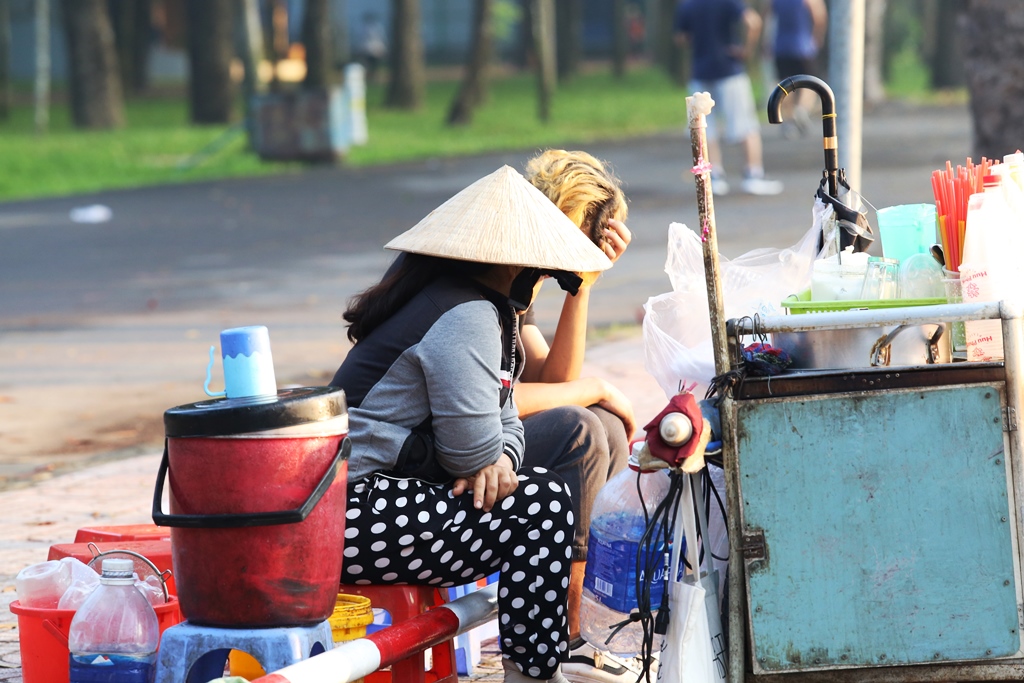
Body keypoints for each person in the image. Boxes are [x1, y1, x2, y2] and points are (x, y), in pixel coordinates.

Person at [330, 165, 613, 683]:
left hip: (380, 505)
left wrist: (501, 459)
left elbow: (505, 423)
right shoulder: (464, 315)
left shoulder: (480, 309)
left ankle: (533, 668)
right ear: (515, 260)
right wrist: (493, 457)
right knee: (543, 502)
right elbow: (469, 453)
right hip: (352, 516)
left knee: (538, 491)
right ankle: (533, 672)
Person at [519, 150, 642, 682]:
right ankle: (571, 627)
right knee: (584, 431)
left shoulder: (525, 284)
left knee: (607, 426)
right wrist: (595, 385)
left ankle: (596, 623)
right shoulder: (489, 271)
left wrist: (582, 286)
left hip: (482, 427)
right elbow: (495, 401)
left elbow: (548, 380)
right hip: (441, 445)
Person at [674, 0, 784, 197]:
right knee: (746, 124)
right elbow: (753, 22)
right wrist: (746, 50)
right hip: (729, 69)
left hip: (700, 71)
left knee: (704, 127)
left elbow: (681, 37)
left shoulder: (687, 5)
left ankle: (714, 175)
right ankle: (753, 174)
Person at [767, 0, 828, 138]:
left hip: (780, 47)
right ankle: (801, 109)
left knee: (785, 85)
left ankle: (789, 122)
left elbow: (768, 18)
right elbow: (819, 16)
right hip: (803, 46)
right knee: (811, 82)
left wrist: (767, 43)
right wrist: (818, 37)